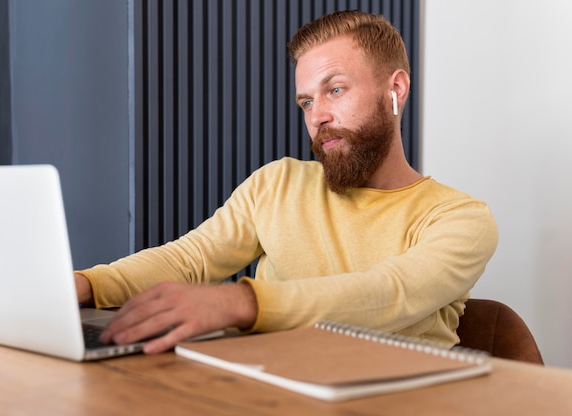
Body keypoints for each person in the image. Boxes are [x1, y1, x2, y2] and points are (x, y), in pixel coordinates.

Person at [74, 10, 498, 354]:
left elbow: (390, 294)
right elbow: (190, 261)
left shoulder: (460, 218)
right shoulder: (278, 183)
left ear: (396, 89)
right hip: (267, 392)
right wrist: (87, 285)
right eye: (307, 101)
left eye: (335, 90)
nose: (317, 117)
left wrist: (243, 302)